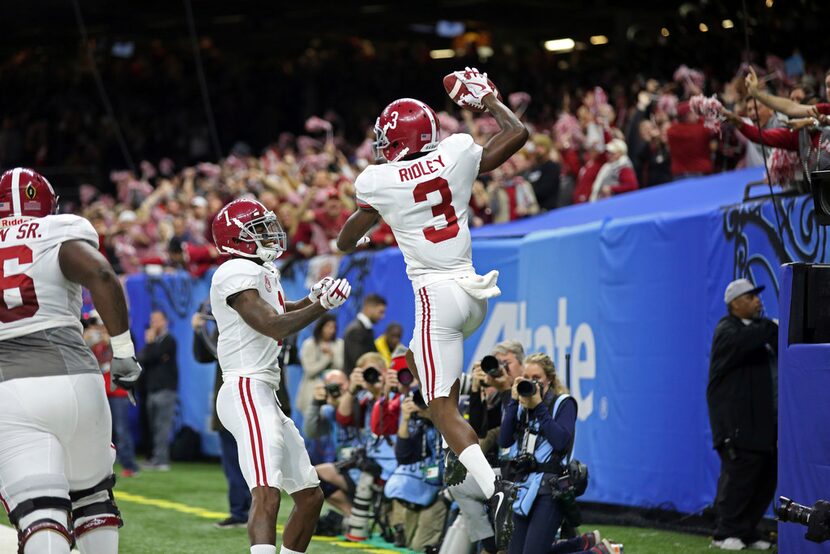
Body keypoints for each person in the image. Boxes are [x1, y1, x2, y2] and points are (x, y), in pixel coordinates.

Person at [337, 66, 528, 550]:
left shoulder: (378, 180)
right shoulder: (458, 150)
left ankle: (494, 489)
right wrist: (488, 99)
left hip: (435, 295)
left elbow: (344, 239)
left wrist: (376, 216)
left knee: (438, 404)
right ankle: (455, 450)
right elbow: (517, 133)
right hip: (472, 291)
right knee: (432, 375)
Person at [0, 167, 142, 554]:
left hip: (9, 389)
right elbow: (100, 273)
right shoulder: (59, 230)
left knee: (40, 513)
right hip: (78, 379)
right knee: (93, 499)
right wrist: (124, 354)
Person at [210, 197, 352, 554]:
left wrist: (312, 298)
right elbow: (270, 323)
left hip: (264, 392)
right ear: (236, 239)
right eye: (258, 229)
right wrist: (323, 307)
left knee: (310, 496)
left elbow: (279, 310)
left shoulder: (262, 271)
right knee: (266, 490)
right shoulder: (233, 272)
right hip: (245, 387)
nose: (269, 234)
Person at [707, 279, 778, 551]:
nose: (758, 301)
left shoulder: (759, 333)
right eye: (750, 297)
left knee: (765, 478)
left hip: (762, 424)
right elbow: (752, 337)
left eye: (757, 296)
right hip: (735, 425)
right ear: (735, 303)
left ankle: (747, 531)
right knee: (739, 478)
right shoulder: (727, 331)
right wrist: (772, 327)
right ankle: (724, 532)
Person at [498, 353, 577, 554]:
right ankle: (587, 548)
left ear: (549, 379)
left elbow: (560, 442)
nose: (531, 383)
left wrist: (539, 407)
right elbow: (504, 440)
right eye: (526, 378)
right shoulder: (521, 407)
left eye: (536, 379)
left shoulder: (564, 403)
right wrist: (514, 402)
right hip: (523, 487)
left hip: (550, 490)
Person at [192, 304, 251, 529]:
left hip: (244, 403)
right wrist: (199, 332)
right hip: (230, 405)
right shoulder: (226, 329)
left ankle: (249, 511)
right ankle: (240, 512)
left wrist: (201, 331)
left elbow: (218, 354)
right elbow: (204, 356)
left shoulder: (243, 329)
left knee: (249, 465)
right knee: (233, 464)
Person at [84, 311, 139, 478]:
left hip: (118, 390)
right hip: (100, 390)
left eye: (100, 324)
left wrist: (110, 339)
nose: (98, 328)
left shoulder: (119, 338)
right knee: (100, 431)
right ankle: (102, 467)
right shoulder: (94, 340)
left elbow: (128, 353)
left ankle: (129, 465)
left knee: (121, 430)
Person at [138, 310, 178, 471]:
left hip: (166, 389)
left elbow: (152, 355)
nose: (154, 323)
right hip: (151, 389)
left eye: (157, 320)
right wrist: (151, 347)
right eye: (152, 320)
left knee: (162, 427)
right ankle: (154, 457)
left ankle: (162, 460)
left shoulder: (169, 340)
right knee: (153, 427)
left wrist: (150, 343)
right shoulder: (153, 342)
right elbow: (143, 358)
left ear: (165, 322)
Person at [297, 313, 344, 414]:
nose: (331, 331)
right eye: (328, 327)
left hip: (334, 393)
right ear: (321, 327)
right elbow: (310, 371)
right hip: (312, 391)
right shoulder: (309, 345)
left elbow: (341, 368)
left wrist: (332, 356)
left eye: (334, 327)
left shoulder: (339, 344)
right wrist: (326, 358)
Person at [343, 293, 386, 374]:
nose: (383, 316)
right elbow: (360, 362)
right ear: (369, 308)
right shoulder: (355, 330)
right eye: (381, 312)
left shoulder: (365, 329)